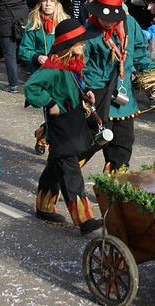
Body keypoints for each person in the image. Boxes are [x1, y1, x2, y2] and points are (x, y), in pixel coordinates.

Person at [24, 18, 100, 234]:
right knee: (70, 171)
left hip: (73, 119)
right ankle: (84, 219)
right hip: (61, 125)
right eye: (80, 42)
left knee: (56, 165)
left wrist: (87, 91)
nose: (84, 45)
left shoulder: (71, 64)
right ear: (69, 44)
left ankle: (44, 206)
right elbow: (31, 86)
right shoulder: (53, 67)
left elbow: (74, 83)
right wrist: (49, 103)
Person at [79, 0, 155, 172]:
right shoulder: (88, 32)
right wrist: (84, 90)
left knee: (123, 146)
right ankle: (64, 175)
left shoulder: (130, 24)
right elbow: (79, 67)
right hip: (97, 97)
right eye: (103, 17)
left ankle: (112, 193)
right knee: (89, 144)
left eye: (111, 18)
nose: (107, 22)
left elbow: (139, 54)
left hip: (123, 99)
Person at [19, 0, 73, 73]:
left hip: (62, 72)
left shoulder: (66, 24)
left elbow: (75, 48)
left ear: (57, 4)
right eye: (44, 0)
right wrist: (37, 57)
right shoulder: (33, 27)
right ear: (40, 4)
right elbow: (24, 50)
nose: (48, 4)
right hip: (40, 72)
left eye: (52, 1)